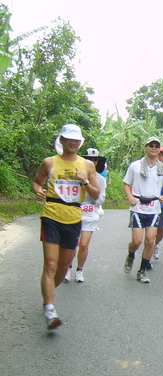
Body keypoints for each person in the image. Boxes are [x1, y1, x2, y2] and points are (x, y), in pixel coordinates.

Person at [32, 124, 100, 328]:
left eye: (76, 139)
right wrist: (38, 191)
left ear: (80, 142)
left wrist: (85, 182)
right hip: (51, 215)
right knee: (51, 264)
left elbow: (96, 195)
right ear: (61, 140)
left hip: (73, 218)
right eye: (68, 138)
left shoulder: (87, 165)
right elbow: (37, 183)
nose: (72, 142)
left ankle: (48, 293)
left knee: (63, 266)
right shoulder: (49, 162)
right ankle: (50, 309)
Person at [122, 137, 163, 283]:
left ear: (159, 149)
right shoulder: (135, 166)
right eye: (151, 145)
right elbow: (126, 184)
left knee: (150, 241)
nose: (154, 148)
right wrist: (130, 196)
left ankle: (142, 271)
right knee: (137, 241)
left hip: (154, 208)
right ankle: (131, 254)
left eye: (157, 146)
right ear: (145, 147)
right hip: (138, 206)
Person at [69, 148, 107, 283]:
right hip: (74, 212)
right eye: (88, 159)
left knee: (84, 244)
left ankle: (79, 270)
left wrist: (87, 184)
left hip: (90, 212)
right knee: (72, 243)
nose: (92, 162)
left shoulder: (100, 179)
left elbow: (101, 199)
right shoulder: (75, 175)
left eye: (94, 159)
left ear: (97, 162)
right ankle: (68, 267)